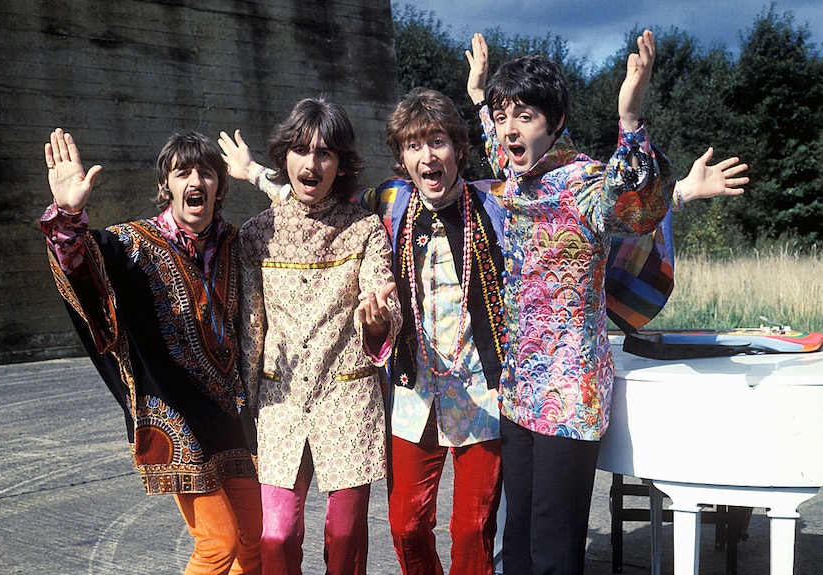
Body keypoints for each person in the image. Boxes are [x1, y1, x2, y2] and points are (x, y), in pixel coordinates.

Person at [464, 31, 748, 574]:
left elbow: (635, 212)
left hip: (569, 392)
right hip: (521, 385)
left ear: (555, 120)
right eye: (505, 115)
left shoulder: (586, 181)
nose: (508, 128)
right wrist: (481, 97)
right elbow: (495, 145)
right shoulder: (519, 172)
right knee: (517, 537)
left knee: (553, 546)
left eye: (523, 115)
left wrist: (632, 120)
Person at [40, 129, 262, 575]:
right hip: (174, 417)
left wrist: (258, 174)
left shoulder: (240, 246)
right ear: (168, 187)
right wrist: (68, 214)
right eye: (183, 173)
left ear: (220, 185)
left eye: (206, 172)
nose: (195, 180)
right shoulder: (132, 245)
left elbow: (306, 212)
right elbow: (79, 265)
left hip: (232, 414)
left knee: (254, 540)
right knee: (217, 544)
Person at [229, 97, 403, 575]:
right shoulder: (256, 234)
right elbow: (250, 327)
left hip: (347, 399)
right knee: (277, 534)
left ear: (341, 163)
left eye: (325, 153)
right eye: (301, 150)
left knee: (345, 535)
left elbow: (382, 295)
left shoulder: (365, 229)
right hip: (279, 401)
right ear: (284, 156)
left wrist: (378, 321)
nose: (311, 163)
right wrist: (244, 409)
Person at [356, 87, 506, 575]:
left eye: (437, 141)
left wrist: (674, 194)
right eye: (414, 145)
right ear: (402, 157)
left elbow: (565, 200)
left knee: (472, 527)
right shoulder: (391, 201)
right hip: (414, 387)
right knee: (404, 525)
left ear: (458, 149)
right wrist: (257, 175)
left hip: (481, 389)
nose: (427, 155)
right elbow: (320, 199)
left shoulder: (495, 205)